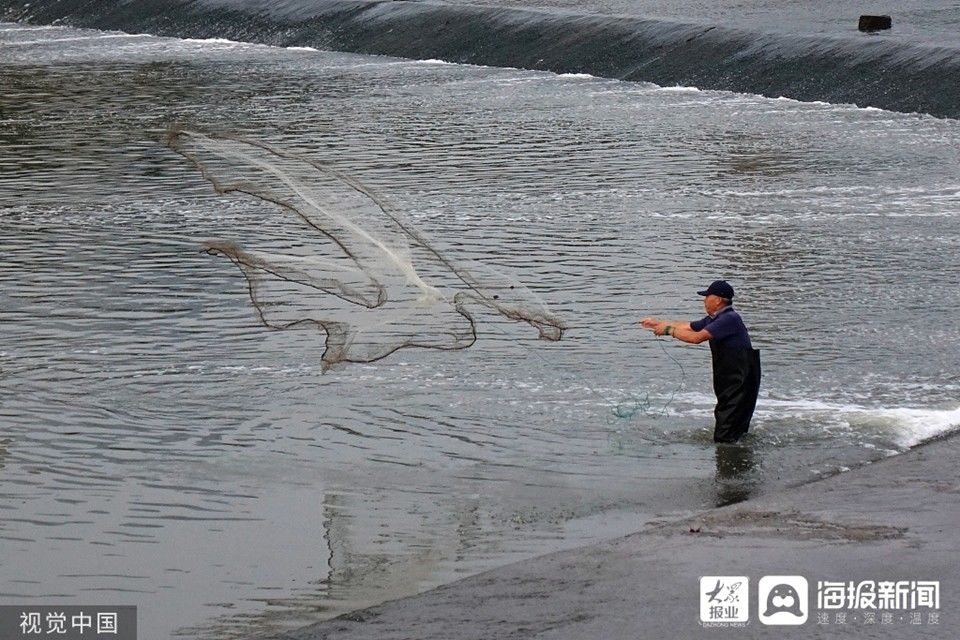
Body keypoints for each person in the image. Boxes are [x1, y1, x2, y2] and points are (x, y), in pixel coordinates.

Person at [640, 280, 761, 443]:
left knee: (725, 436)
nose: (704, 300)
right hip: (732, 380)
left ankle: (733, 462)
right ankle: (740, 459)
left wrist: (668, 331)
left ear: (718, 300)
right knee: (733, 431)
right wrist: (658, 323)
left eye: (707, 297)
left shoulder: (729, 319)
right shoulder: (715, 319)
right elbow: (689, 327)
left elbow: (696, 338)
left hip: (741, 381)